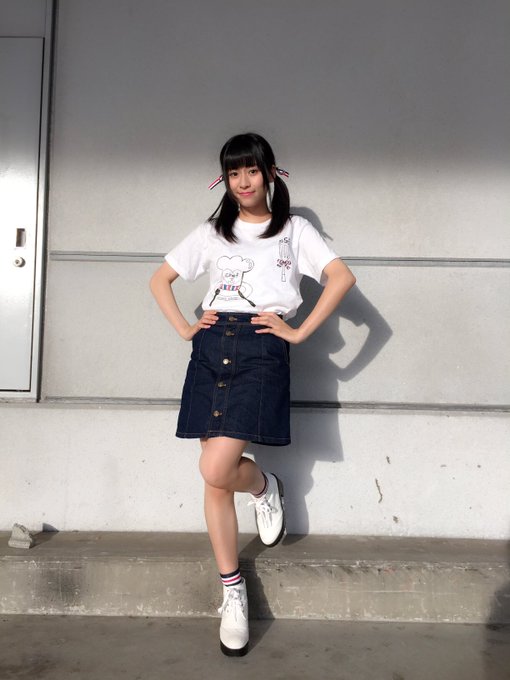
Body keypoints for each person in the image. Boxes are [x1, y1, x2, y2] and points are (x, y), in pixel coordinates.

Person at [150, 132, 356, 656]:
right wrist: (186, 328)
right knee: (214, 479)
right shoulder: (212, 232)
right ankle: (233, 591)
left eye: (251, 170)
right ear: (225, 179)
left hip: (262, 348)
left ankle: (264, 486)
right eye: (234, 172)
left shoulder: (295, 231)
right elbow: (160, 280)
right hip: (212, 345)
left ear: (269, 173)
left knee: (216, 468)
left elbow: (340, 277)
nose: (243, 181)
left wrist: (298, 331)